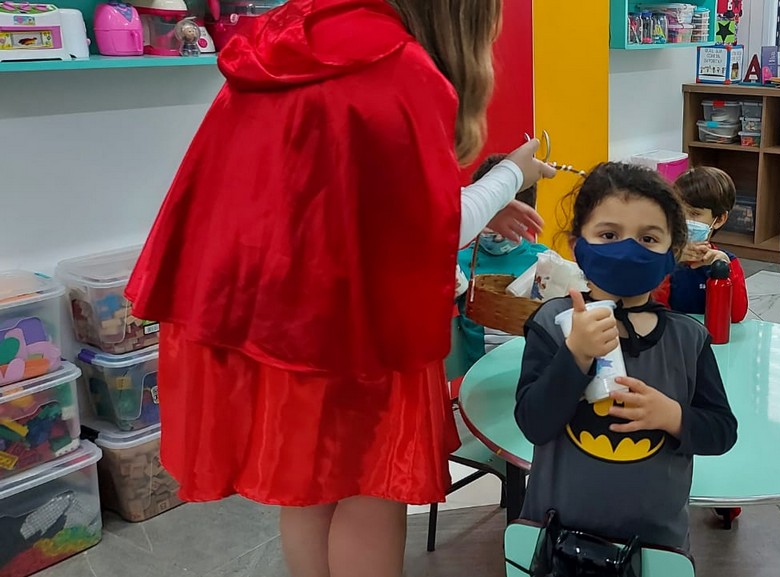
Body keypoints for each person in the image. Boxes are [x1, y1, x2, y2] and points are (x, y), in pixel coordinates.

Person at [122, 1, 555, 576]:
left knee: (311, 488)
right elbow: (428, 232)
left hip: (276, 320)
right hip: (355, 325)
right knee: (370, 490)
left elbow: (344, 200)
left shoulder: (285, 45)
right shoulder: (400, 67)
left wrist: (473, 201)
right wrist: (511, 175)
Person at [514, 162, 738, 550]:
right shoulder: (553, 324)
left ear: (672, 253)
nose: (629, 249)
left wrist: (673, 416)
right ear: (577, 245)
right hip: (558, 540)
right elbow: (534, 423)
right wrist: (575, 355)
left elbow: (722, 432)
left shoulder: (688, 339)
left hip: (655, 547)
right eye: (609, 234)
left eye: (648, 238)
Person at [454, 155, 551, 371]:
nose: (497, 235)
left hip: (532, 375)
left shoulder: (545, 261)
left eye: (510, 224)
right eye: (490, 223)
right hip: (479, 378)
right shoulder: (459, 261)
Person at [653, 167, 749, 323]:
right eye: (679, 211)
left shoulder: (727, 261)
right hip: (673, 332)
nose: (684, 220)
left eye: (694, 214)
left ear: (719, 219)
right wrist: (670, 260)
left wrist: (724, 270)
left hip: (710, 333)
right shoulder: (661, 256)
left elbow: (736, 316)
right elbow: (652, 308)